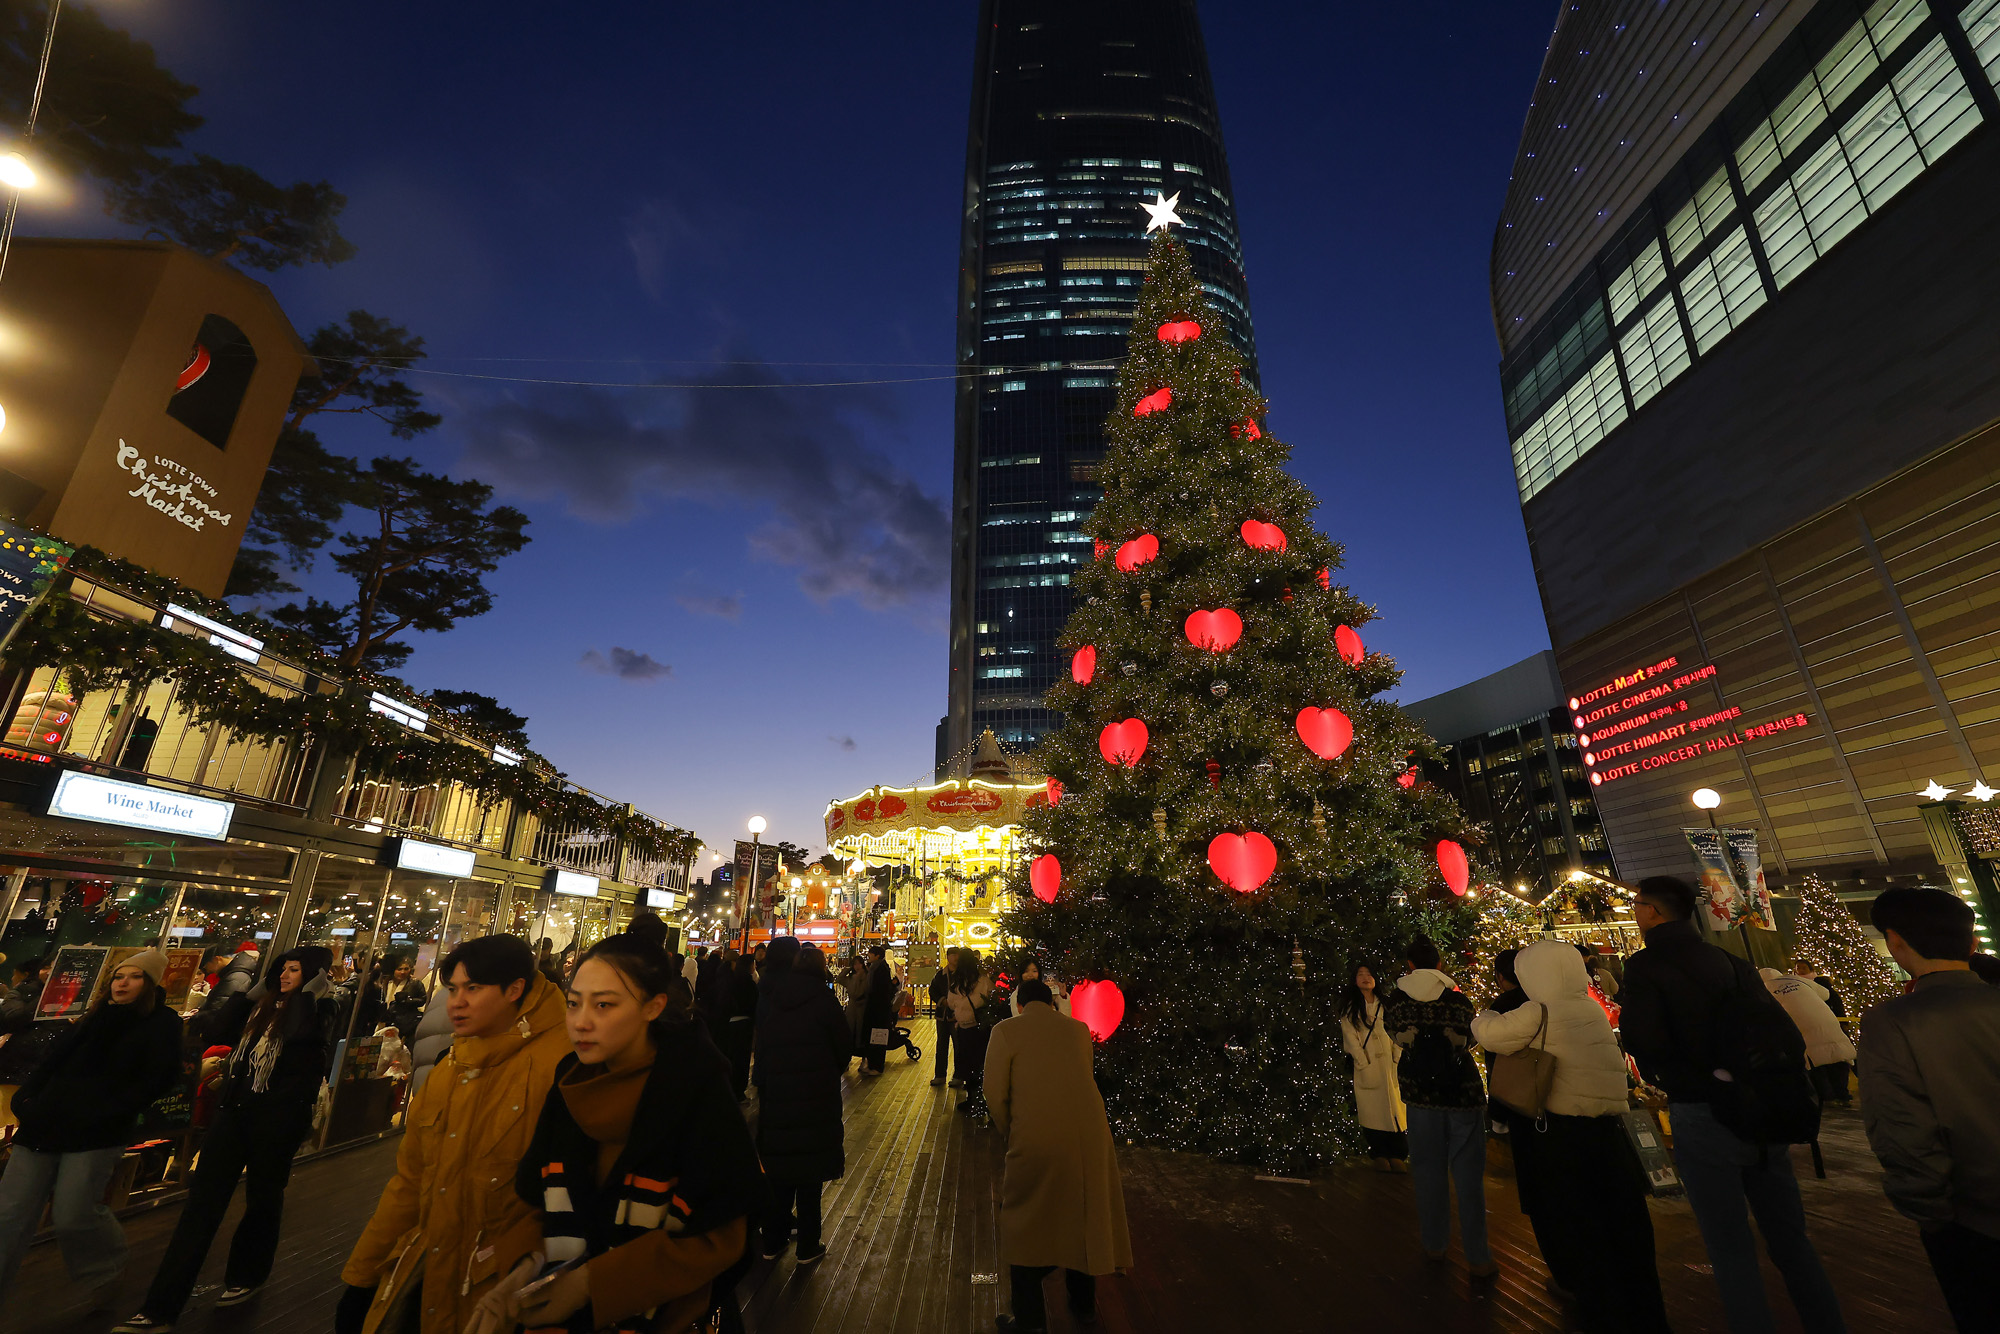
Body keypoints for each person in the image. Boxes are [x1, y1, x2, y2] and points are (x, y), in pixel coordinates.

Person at [466, 933, 760, 1334]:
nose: (582, 1021)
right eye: (574, 1003)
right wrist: (523, 1269)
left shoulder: (697, 1093)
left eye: (603, 1005)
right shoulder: (569, 1084)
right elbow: (531, 1199)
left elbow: (720, 1235)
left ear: (653, 1007)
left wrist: (592, 1284)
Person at [1620, 876, 1845, 1334]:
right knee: (1790, 1238)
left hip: (1702, 1110)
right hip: (1761, 1107)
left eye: (1638, 904)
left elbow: (1645, 1040)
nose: (1637, 910)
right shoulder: (1730, 961)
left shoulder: (1645, 966)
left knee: (1729, 1245)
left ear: (1653, 913)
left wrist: (1680, 1076)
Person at [334, 934, 569, 1334]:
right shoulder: (453, 1065)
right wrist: (362, 1277)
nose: (456, 1002)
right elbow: (409, 1182)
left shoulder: (561, 1067)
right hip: (430, 1270)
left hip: (508, 1294)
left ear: (515, 990)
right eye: (454, 989)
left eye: (473, 989)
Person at [115, 946, 338, 1332]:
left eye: (295, 970)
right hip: (234, 1113)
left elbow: (301, 1037)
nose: (285, 976)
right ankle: (160, 1306)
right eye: (281, 969)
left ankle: (247, 1276)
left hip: (279, 1120)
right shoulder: (262, 1006)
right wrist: (247, 996)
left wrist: (307, 995)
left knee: (263, 1198)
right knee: (201, 1205)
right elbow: (216, 1032)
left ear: (315, 975)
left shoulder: (323, 1008)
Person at [1474, 940, 1670, 1333]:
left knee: (1582, 1228)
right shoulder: (1590, 1009)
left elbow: (1490, 1034)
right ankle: (1648, 1314)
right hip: (1609, 1130)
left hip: (1562, 1135)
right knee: (1625, 1225)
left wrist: (1484, 1012)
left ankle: (1602, 1312)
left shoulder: (1538, 1010)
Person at [0, 950, 181, 1304]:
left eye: (134, 976)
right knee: (9, 1214)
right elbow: (54, 1062)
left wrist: (110, 1112)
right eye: (118, 976)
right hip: (44, 1123)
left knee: (73, 1214)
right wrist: (26, 1099)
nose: (122, 983)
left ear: (150, 984)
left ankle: (106, 1270)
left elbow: (157, 1079)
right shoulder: (94, 1017)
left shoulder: (162, 1022)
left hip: (95, 1132)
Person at [1858, 886, 2000, 1332]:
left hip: (1973, 1219)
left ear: (1895, 941)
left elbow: (1902, 1130)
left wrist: (1931, 1214)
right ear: (1972, 942)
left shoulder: (1892, 1021)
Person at [986, 979, 1131, 1333]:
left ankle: (1030, 1320)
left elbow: (994, 1092)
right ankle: (1083, 1307)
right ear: (1052, 1003)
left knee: (1024, 1223)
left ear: (1020, 1004)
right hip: (1088, 1136)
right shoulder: (1078, 1031)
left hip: (1036, 1134)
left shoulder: (1006, 1031)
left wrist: (1010, 1130)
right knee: (1079, 1216)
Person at [1382, 935, 1494, 1277]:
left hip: (1420, 1097)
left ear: (1410, 965)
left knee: (1428, 1171)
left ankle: (1434, 1245)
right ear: (1440, 965)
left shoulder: (1397, 1002)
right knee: (1469, 1178)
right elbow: (1471, 1035)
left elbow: (1394, 1033)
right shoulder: (1457, 1001)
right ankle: (1478, 1258)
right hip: (1462, 1094)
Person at [752, 938, 848, 1265]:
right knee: (809, 1176)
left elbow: (762, 1045)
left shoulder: (773, 999)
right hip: (816, 1097)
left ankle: (773, 1240)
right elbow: (842, 1048)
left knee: (778, 1172)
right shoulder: (825, 1000)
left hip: (779, 1095)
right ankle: (808, 1245)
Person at [1337, 963, 1406, 1172]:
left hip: (1389, 1064)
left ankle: (1398, 1154)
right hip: (1368, 1065)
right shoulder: (1351, 1009)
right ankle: (1379, 1153)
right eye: (1360, 974)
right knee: (1373, 1111)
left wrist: (1397, 1055)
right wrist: (1362, 1061)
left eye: (1369, 974)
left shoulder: (1384, 1005)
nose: (1365, 977)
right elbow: (1350, 1037)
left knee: (1396, 1110)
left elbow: (1396, 1030)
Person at [1761, 965, 1855, 1108]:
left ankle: (1827, 1097)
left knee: (1816, 1062)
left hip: (1801, 1029)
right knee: (1838, 1057)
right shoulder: (1797, 980)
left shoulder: (1765, 989)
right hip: (1827, 1022)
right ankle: (1842, 1094)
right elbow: (1825, 994)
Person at [949, 949, 995, 1116]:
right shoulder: (983, 981)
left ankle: (971, 1098)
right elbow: (992, 995)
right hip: (981, 1027)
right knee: (981, 1062)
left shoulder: (957, 984)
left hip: (964, 1027)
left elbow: (951, 1003)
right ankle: (982, 1099)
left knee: (967, 1062)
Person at [188, 942, 260, 1049]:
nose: (207, 970)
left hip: (220, 1042)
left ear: (217, 959)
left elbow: (222, 1014)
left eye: (206, 965)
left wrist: (196, 1018)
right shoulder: (233, 975)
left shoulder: (235, 978)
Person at [718, 950, 759, 1099]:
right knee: (741, 1058)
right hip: (744, 1023)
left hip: (730, 1022)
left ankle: (728, 1088)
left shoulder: (730, 979)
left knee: (731, 1055)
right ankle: (738, 1091)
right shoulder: (749, 982)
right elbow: (754, 1003)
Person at [861, 944, 896, 1076]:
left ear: (877, 956)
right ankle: (873, 1064)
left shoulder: (880, 968)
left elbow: (880, 990)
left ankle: (876, 1066)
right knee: (874, 1036)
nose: (868, 955)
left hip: (878, 1009)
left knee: (878, 1037)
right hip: (876, 1008)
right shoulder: (875, 967)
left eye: (870, 953)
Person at [931, 947, 959, 1087]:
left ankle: (958, 1075)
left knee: (959, 1046)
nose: (954, 957)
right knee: (941, 1045)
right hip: (942, 1015)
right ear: (947, 957)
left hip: (958, 1016)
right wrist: (942, 1001)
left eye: (956, 955)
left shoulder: (962, 974)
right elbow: (933, 990)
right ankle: (940, 1075)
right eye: (952, 955)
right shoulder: (940, 975)